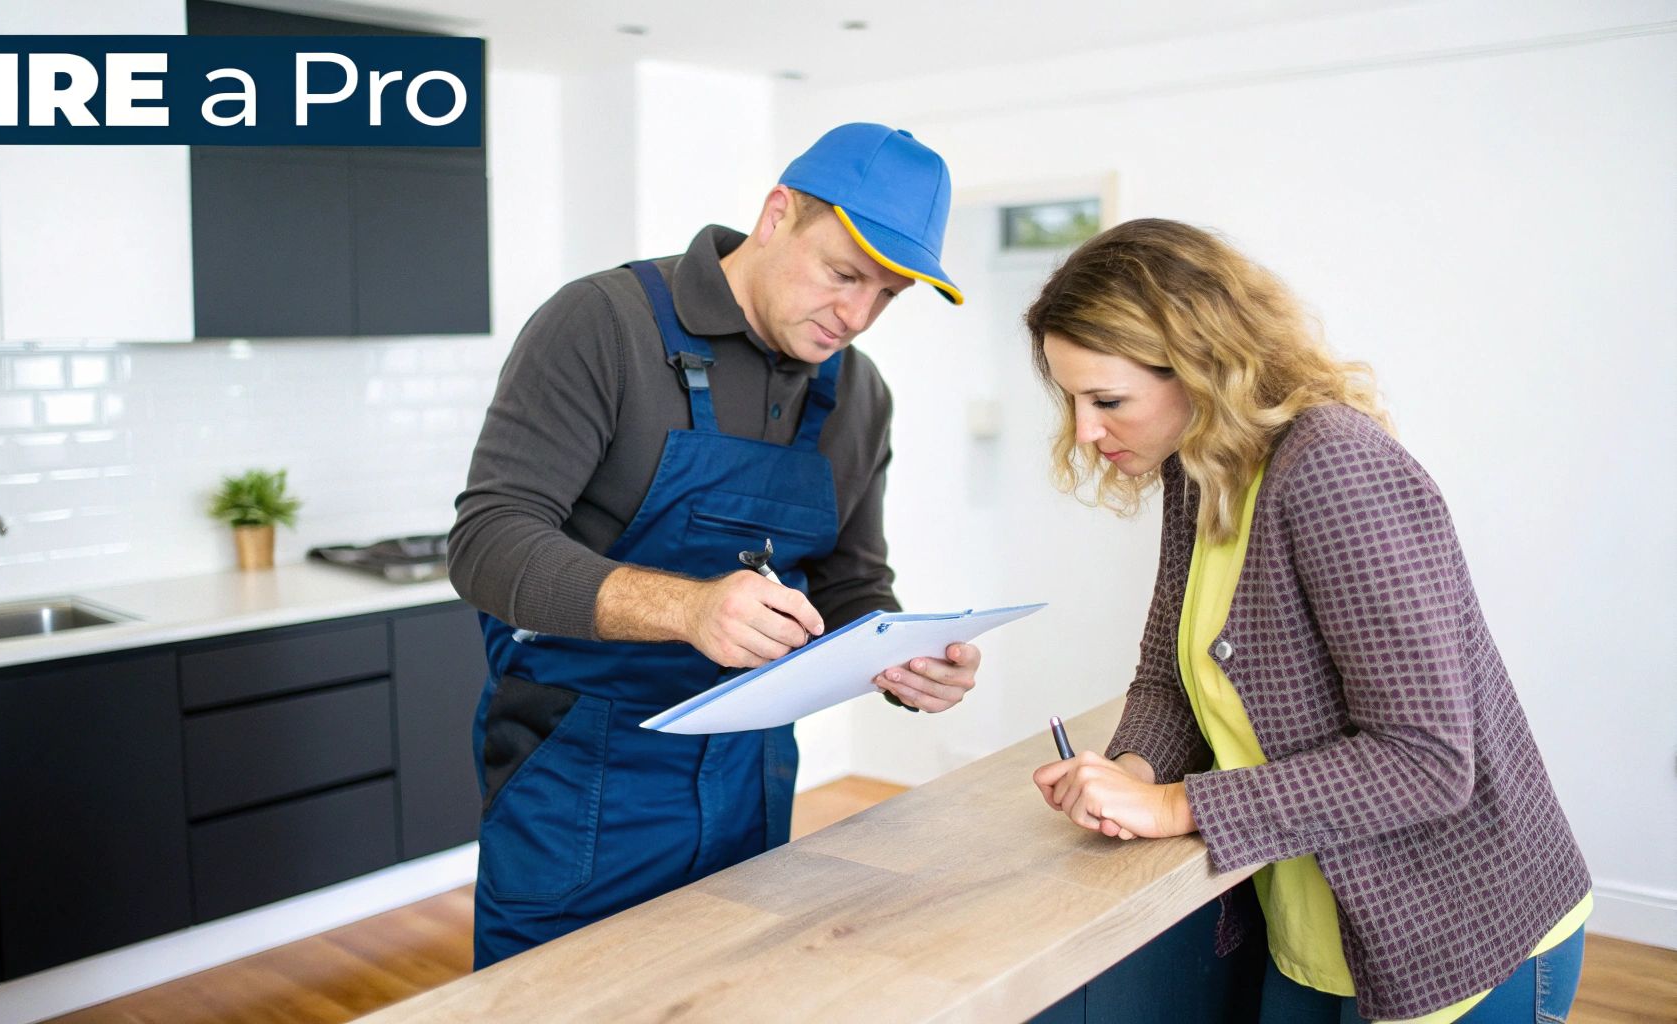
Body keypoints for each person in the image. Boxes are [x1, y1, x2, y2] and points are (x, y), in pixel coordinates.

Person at [1024, 219, 1591, 1023]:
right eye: (1072, 399)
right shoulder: (1202, 468)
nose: (1084, 430)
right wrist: (1135, 774)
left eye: (1107, 399)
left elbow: (1425, 760)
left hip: (1461, 937)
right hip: (1318, 933)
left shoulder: (1332, 467)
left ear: (1202, 367)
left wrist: (1178, 807)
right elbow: (1168, 678)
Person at [449, 123, 986, 968]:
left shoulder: (859, 394)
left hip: (751, 774)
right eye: (844, 275)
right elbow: (487, 543)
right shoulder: (603, 324)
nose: (858, 316)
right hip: (581, 778)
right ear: (777, 215)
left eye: (888, 296)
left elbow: (849, 577)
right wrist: (688, 607)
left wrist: (897, 650)